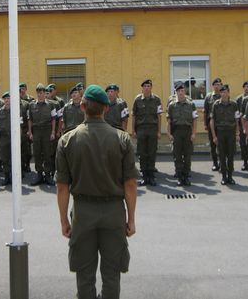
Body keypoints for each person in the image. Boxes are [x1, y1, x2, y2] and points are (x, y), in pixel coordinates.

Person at [56, 84, 138, 299]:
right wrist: (131, 218)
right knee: (112, 273)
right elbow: (130, 184)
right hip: (113, 212)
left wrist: (64, 219)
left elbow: (62, 186)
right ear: (106, 109)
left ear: (82, 107)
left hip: (83, 212)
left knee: (84, 273)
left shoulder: (67, 140)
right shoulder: (122, 139)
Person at [131, 79, 162, 186]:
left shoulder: (157, 99)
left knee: (152, 153)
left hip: (152, 129)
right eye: (145, 86)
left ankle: (151, 176)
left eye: (148, 86)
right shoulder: (137, 100)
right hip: (141, 129)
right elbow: (134, 116)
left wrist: (159, 131)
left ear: (151, 87)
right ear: (142, 88)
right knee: (142, 153)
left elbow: (159, 116)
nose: (147, 88)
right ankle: (144, 176)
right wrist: (133, 131)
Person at [167, 82, 198, 186]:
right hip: (177, 132)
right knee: (177, 156)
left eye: (183, 91)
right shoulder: (172, 105)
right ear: (176, 92)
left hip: (187, 131)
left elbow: (194, 120)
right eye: (179, 91)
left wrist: (194, 133)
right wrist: (169, 134)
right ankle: (180, 177)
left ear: (185, 92)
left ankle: (186, 176)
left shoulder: (191, 104)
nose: (181, 93)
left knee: (187, 155)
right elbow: (169, 121)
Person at [210, 84, 239, 185]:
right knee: (221, 156)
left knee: (230, 156)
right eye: (222, 92)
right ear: (220, 93)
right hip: (221, 132)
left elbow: (237, 119)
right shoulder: (216, 105)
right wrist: (214, 136)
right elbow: (212, 120)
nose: (223, 94)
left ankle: (230, 177)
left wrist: (237, 133)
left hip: (231, 132)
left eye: (225, 92)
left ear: (228, 93)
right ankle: (223, 177)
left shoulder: (234, 104)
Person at [28, 83, 57, 186]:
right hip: (36, 131)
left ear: (45, 93)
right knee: (37, 153)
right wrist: (30, 132)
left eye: (41, 92)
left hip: (47, 130)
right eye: (38, 92)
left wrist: (53, 131)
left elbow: (54, 119)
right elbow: (30, 119)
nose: (40, 94)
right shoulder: (31, 105)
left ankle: (48, 175)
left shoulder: (51, 104)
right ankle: (39, 174)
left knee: (47, 152)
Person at [203, 78, 223, 171]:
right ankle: (215, 163)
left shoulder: (224, 95)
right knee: (213, 145)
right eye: (215, 84)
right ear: (213, 86)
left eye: (219, 84)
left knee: (222, 145)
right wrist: (205, 124)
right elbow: (205, 111)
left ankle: (222, 162)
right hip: (211, 124)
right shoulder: (209, 96)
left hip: (222, 124)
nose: (217, 86)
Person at [236, 81, 248, 171]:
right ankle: (245, 162)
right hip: (242, 125)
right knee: (243, 145)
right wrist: (239, 128)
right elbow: (237, 114)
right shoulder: (239, 99)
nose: (246, 88)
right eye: (245, 86)